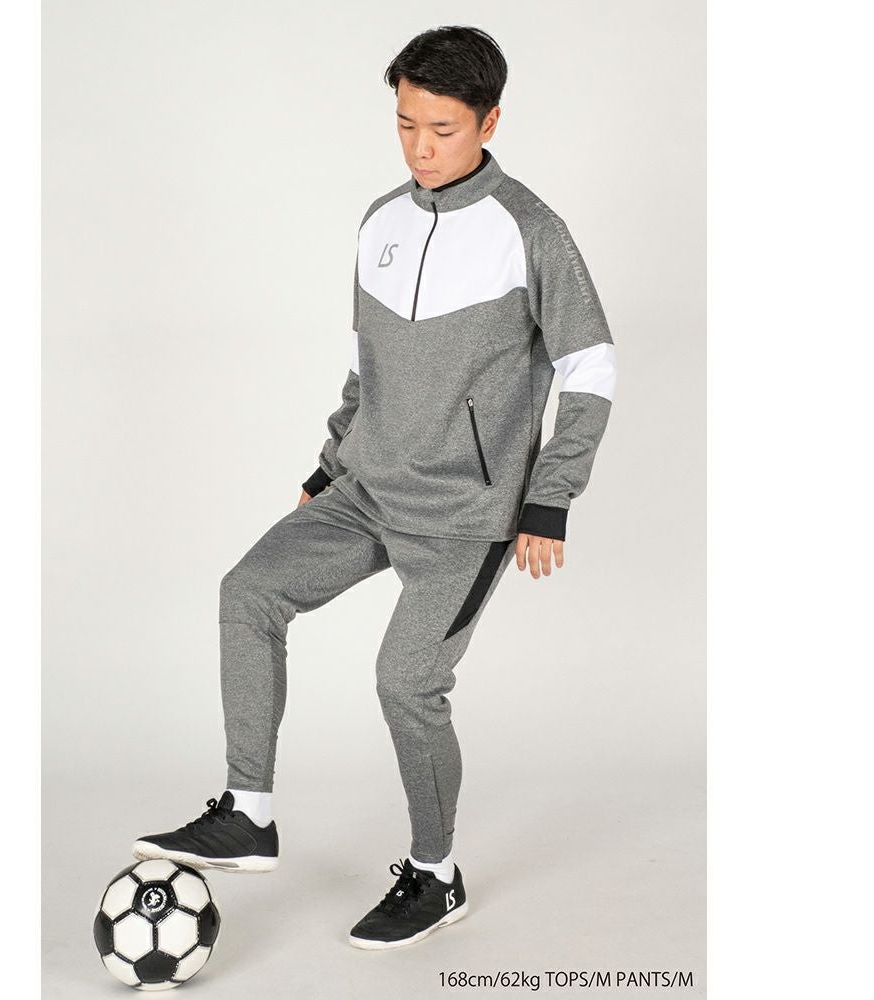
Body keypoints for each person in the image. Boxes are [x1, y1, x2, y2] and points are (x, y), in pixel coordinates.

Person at [132, 24, 617, 950]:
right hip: (367, 487)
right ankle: (248, 810)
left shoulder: (532, 232)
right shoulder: (380, 222)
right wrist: (329, 465)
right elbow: (368, 367)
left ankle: (436, 874)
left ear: (489, 122)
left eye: (442, 129)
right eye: (405, 125)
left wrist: (551, 496)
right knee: (248, 592)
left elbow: (590, 364)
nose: (420, 148)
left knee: (405, 683)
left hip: (466, 514)